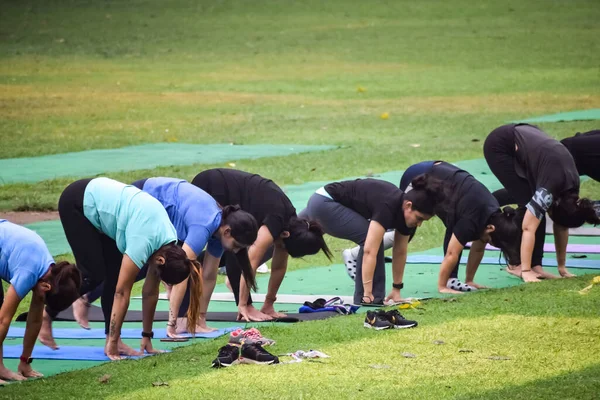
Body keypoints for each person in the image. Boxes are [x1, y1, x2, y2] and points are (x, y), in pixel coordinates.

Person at [38, 177, 200, 360]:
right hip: (78, 201)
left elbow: (150, 293)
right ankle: (46, 315)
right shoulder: (144, 241)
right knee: (93, 275)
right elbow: (122, 293)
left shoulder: (169, 244)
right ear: (161, 261)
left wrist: (147, 337)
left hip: (112, 212)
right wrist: (113, 345)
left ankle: (112, 338)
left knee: (113, 275)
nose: (158, 280)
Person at [191, 168, 332, 323]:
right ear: (286, 236)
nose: (280, 250)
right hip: (213, 185)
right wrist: (245, 305)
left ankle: (192, 264)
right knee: (235, 250)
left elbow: (279, 267)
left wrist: (269, 304)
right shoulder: (277, 220)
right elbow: (249, 262)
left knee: (233, 248)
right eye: (284, 248)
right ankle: (180, 264)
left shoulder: (291, 226)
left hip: (232, 191)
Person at [131, 177, 258, 336]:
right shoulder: (204, 225)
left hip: (160, 206)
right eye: (237, 245)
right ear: (227, 232)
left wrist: (200, 319)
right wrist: (172, 324)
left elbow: (209, 275)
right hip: (141, 195)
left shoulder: (220, 231)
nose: (236, 251)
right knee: (138, 267)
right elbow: (181, 275)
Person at [299, 175, 445, 305]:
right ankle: (370, 298)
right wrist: (368, 292)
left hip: (320, 199)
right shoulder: (388, 204)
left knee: (289, 232)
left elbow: (400, 250)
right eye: (419, 218)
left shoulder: (407, 216)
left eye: (423, 221)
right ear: (408, 206)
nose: (419, 224)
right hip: (325, 202)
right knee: (371, 239)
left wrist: (396, 289)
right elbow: (369, 250)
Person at [484, 124, 600, 283]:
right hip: (501, 144)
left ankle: (536, 267)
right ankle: (516, 265)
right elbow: (528, 227)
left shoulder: (571, 192)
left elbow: (562, 226)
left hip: (529, 137)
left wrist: (562, 268)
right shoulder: (550, 189)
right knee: (528, 207)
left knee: (532, 206)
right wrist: (526, 271)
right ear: (555, 207)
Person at [398, 161, 524, 293]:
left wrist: (470, 280)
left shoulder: (493, 216)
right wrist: (442, 287)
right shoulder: (471, 218)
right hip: (421, 174)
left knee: (452, 228)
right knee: (406, 226)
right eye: (489, 240)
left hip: (446, 179)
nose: (485, 242)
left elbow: (478, 249)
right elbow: (452, 253)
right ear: (491, 228)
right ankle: (380, 248)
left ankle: (451, 279)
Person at [0, 219, 81, 383]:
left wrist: (25, 362)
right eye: (45, 302)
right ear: (46, 288)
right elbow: (3, 320)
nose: (40, 302)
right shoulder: (29, 272)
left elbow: (35, 320)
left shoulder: (50, 274)